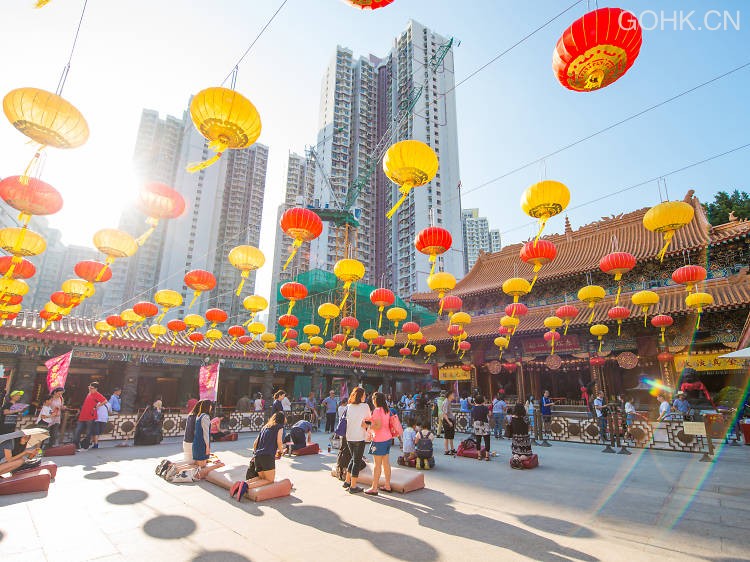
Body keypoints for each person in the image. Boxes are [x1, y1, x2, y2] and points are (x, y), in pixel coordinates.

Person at [232, 411, 285, 499]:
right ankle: (245, 486)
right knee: (269, 480)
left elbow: (255, 443)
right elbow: (279, 441)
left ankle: (242, 484)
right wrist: (281, 451)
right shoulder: (279, 427)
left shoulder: (265, 427)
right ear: (282, 420)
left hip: (257, 456)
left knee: (262, 478)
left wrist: (256, 453)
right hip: (267, 456)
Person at [365, 392, 394, 495]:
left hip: (379, 439)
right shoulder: (387, 410)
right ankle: (387, 485)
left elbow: (378, 426)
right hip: (388, 438)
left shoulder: (377, 411)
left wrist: (368, 425)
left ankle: (374, 488)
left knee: (377, 465)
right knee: (386, 463)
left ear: (375, 400)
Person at [343, 387, 371, 494]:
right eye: (364, 395)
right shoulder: (365, 406)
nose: (365, 397)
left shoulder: (348, 406)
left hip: (349, 437)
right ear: (360, 396)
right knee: (357, 461)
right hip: (359, 437)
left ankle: (347, 481)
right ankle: (353, 486)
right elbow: (369, 419)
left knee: (354, 459)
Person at [192, 400, 224, 479]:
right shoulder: (205, 417)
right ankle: (218, 466)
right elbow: (206, 434)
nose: (211, 407)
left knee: (196, 465)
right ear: (207, 406)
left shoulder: (198, 416)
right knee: (201, 468)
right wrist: (207, 447)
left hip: (196, 443)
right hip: (201, 444)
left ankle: (175, 469)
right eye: (210, 405)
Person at [74, 382, 107, 450]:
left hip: (90, 415)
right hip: (83, 415)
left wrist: (97, 406)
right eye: (89, 387)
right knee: (78, 430)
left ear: (96, 389)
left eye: (91, 388)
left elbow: (105, 401)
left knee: (88, 432)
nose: (90, 389)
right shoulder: (89, 393)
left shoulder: (97, 394)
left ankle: (85, 446)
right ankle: (75, 444)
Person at [508, 403, 533, 469]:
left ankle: (515, 459)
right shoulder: (525, 418)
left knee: (516, 453)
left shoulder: (512, 417)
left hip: (515, 437)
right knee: (527, 455)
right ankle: (519, 460)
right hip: (524, 437)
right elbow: (529, 426)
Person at [471, 396, 491, 461]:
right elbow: (489, 414)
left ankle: (479, 455)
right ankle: (487, 456)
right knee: (487, 440)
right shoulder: (485, 407)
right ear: (482, 401)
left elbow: (473, 416)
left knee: (478, 440)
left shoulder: (473, 408)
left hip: (476, 424)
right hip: (484, 423)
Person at [441, 389, 456, 455]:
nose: (454, 396)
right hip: (447, 420)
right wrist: (449, 422)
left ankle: (452, 449)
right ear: (449, 395)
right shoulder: (446, 402)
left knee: (450, 435)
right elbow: (444, 414)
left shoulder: (448, 401)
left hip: (450, 419)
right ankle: (446, 450)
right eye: (453, 395)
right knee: (447, 436)